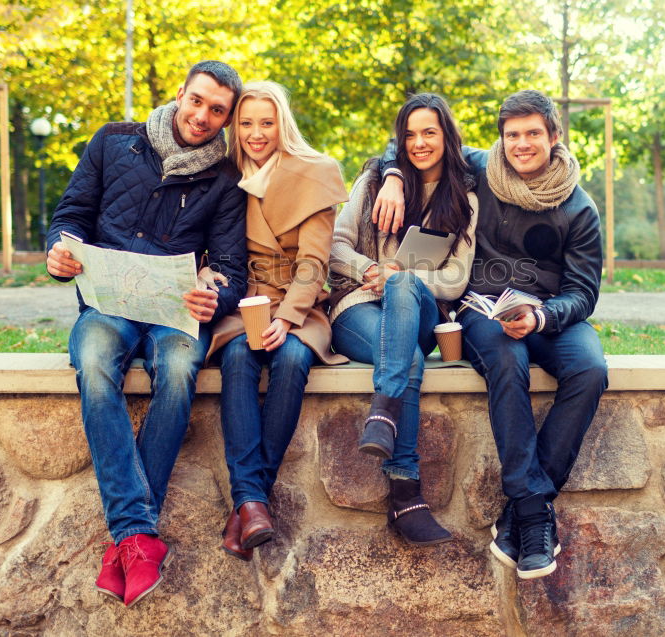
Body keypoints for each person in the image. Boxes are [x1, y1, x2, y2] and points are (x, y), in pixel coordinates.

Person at [371, 89, 607, 578]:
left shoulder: (580, 208)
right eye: (512, 135)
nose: (521, 144)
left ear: (554, 137)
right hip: (482, 309)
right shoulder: (479, 168)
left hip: (551, 314)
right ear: (501, 139)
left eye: (532, 134)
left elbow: (584, 293)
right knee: (505, 361)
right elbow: (413, 143)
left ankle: (523, 511)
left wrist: (541, 316)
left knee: (590, 369)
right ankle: (534, 515)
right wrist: (393, 178)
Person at [45, 60, 248, 607]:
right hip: (107, 303)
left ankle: (129, 539)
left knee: (181, 368)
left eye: (217, 111)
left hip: (174, 313)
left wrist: (216, 290)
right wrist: (59, 249)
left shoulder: (227, 178)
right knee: (91, 360)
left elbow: (230, 265)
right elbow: (71, 214)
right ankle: (138, 535)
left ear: (227, 118)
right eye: (197, 101)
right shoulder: (113, 141)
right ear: (180, 94)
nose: (202, 116)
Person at [329, 93, 479, 545]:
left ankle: (384, 412)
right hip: (356, 306)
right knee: (409, 360)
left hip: (420, 309)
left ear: (446, 137)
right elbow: (334, 249)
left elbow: (455, 280)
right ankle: (405, 493)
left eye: (429, 132)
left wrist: (403, 277)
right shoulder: (375, 180)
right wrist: (371, 271)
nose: (419, 143)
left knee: (402, 287)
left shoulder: (465, 196)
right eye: (410, 134)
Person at [207, 81, 348, 561]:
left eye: (266, 122)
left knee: (290, 359)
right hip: (246, 299)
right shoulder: (226, 176)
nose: (255, 133)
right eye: (246, 123)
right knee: (239, 358)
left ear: (282, 124)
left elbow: (314, 262)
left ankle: (248, 500)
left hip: (300, 302)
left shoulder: (316, 172)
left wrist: (288, 318)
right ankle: (254, 504)